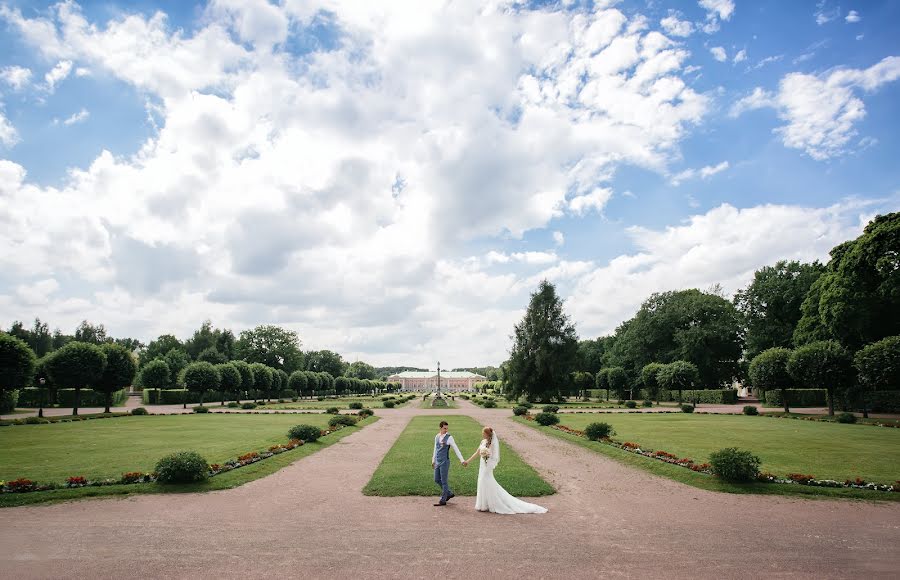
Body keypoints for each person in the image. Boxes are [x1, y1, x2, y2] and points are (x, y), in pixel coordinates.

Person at [465, 426, 547, 514]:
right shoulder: (482, 442)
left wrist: (488, 458)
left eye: (483, 433)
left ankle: (491, 503)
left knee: (485, 481)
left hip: (488, 466)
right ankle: (483, 504)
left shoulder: (492, 444)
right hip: (482, 465)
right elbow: (477, 453)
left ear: (488, 434)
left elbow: (494, 457)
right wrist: (467, 461)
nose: (482, 434)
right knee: (482, 482)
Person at [431, 420, 467, 506]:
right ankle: (449, 493)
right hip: (437, 461)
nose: (446, 430)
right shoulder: (437, 436)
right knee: (436, 479)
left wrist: (462, 460)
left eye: (447, 428)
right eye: (444, 428)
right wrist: (433, 460)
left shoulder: (449, 437)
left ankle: (443, 500)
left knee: (444, 481)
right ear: (440, 428)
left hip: (445, 462)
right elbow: (435, 449)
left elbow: (456, 449)